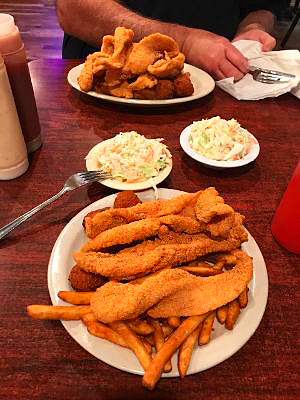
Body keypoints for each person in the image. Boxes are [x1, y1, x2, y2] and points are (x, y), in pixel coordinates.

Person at [56, 0, 283, 81]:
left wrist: (253, 28)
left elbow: (263, 7)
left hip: (221, 84)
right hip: (105, 89)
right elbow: (72, 8)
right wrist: (185, 42)